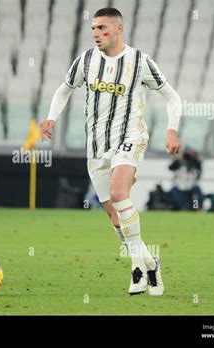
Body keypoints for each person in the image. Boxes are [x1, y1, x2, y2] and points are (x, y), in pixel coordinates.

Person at [39, 8, 182, 296]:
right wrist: (51, 116)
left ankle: (137, 271)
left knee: (119, 194)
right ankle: (150, 263)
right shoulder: (86, 60)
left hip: (130, 137)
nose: (96, 34)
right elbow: (63, 90)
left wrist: (171, 129)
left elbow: (172, 96)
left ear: (118, 29)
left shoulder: (140, 61)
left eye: (102, 28)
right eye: (93, 29)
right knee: (115, 218)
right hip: (96, 146)